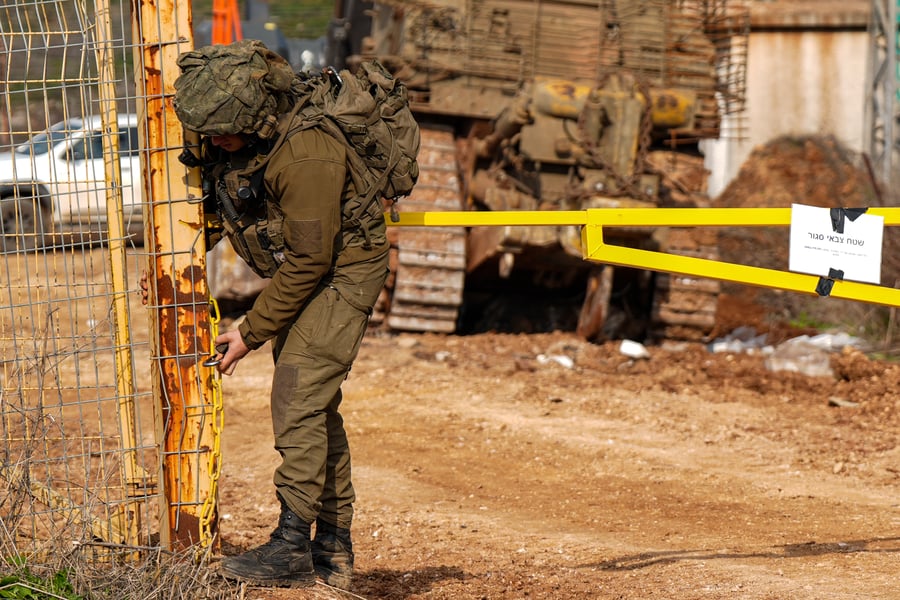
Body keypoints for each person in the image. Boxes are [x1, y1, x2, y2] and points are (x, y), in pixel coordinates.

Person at [170, 39, 390, 590]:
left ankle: (292, 543)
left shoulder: (305, 153)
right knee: (316, 407)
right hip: (308, 268)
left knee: (296, 395)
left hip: (344, 269)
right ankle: (333, 550)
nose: (216, 142)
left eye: (223, 130)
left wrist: (249, 333)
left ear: (255, 115)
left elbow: (313, 258)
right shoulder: (236, 128)